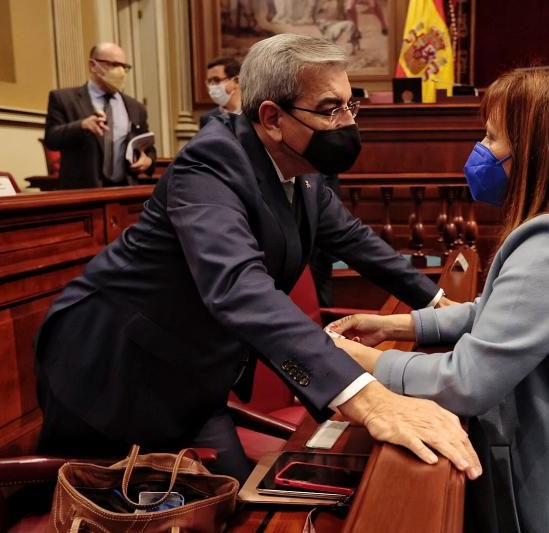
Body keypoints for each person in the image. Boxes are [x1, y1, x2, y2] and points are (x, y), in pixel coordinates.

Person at [34, 33, 480, 485]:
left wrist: (437, 302)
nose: (347, 121)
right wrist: (370, 400)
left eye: (351, 105)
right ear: (271, 118)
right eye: (331, 109)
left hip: (193, 375)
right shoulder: (210, 163)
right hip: (111, 368)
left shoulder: (300, 169)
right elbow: (237, 287)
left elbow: (354, 239)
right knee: (82, 500)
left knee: (235, 494)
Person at [330, 67, 549, 533]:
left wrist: (364, 361)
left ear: (535, 153)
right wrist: (400, 327)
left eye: (492, 138)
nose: (480, 152)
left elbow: (467, 381)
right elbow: (506, 312)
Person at [44, 42, 155, 189]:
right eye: (114, 65)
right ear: (92, 65)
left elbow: (147, 147)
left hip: (125, 190)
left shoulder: (136, 107)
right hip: (83, 194)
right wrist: (81, 125)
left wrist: (148, 160)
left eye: (124, 67)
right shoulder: (64, 99)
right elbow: (51, 139)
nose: (120, 71)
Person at [200, 56, 242, 128]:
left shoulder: (253, 114)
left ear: (236, 81)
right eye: (209, 81)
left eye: (217, 80)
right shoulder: (207, 119)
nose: (212, 86)